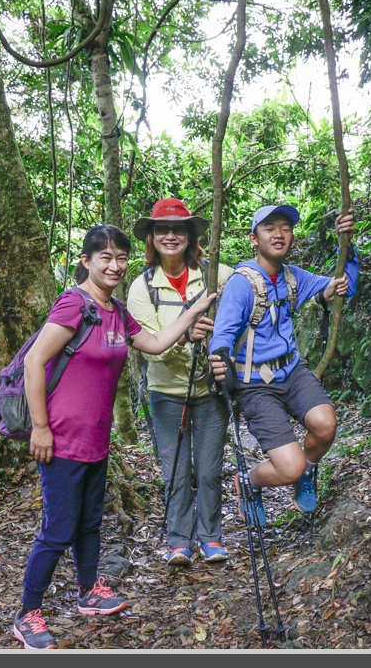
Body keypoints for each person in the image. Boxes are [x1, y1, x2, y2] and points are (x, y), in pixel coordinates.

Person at [12, 224, 221, 650]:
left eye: (121, 258)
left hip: (96, 439)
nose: (114, 265)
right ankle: (27, 614)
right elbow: (34, 362)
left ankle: (89, 591)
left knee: (90, 522)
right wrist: (40, 428)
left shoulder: (117, 311)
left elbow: (156, 343)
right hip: (61, 439)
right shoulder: (75, 303)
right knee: (58, 530)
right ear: (86, 261)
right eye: (104, 257)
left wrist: (194, 310)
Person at [208, 204, 357, 528]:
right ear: (254, 238)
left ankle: (308, 471)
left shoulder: (293, 277)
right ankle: (250, 481)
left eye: (285, 229)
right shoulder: (242, 282)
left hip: (291, 370)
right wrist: (220, 358)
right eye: (269, 228)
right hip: (255, 383)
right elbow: (223, 332)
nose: (279, 235)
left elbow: (342, 286)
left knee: (325, 424)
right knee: (289, 467)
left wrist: (346, 243)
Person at [127, 198, 235, 567]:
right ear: (152, 237)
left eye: (178, 229)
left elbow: (248, 301)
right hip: (165, 393)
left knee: (208, 469)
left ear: (191, 235)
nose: (170, 236)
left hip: (211, 389)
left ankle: (211, 537)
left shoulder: (217, 275)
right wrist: (186, 336)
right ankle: (179, 541)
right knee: (174, 469)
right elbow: (150, 348)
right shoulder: (142, 287)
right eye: (162, 229)